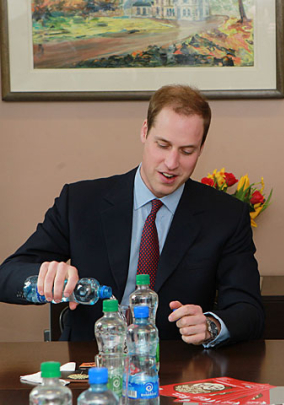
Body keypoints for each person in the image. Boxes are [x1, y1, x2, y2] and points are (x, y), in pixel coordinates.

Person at [0, 84, 264, 347]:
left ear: (201, 148)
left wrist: (210, 325)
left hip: (177, 362)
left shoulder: (226, 216)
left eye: (187, 151)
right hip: (90, 359)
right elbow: (7, 276)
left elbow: (249, 310)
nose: (172, 163)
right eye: (163, 145)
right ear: (145, 131)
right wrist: (44, 276)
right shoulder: (80, 202)